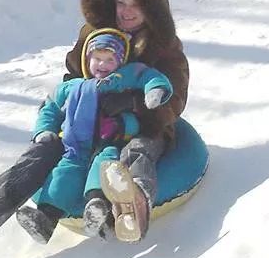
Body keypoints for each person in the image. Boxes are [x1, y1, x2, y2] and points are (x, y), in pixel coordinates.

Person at [0, 0, 189, 253]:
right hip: (86, 125)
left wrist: (132, 105)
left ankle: (134, 204)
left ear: (153, 9)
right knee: (41, 152)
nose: (127, 11)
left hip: (140, 127)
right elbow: (71, 78)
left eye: (138, 4)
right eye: (122, 2)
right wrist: (61, 114)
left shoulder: (165, 48)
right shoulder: (94, 34)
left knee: (138, 149)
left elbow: (175, 101)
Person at [14, 28, 173, 244]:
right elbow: (50, 107)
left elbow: (148, 76)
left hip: (109, 140)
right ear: (87, 59)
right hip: (75, 145)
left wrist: (155, 91)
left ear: (120, 61)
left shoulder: (123, 77)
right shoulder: (72, 86)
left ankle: (96, 205)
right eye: (97, 58)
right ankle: (46, 218)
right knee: (64, 173)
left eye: (109, 59)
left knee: (104, 166)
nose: (102, 65)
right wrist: (44, 130)